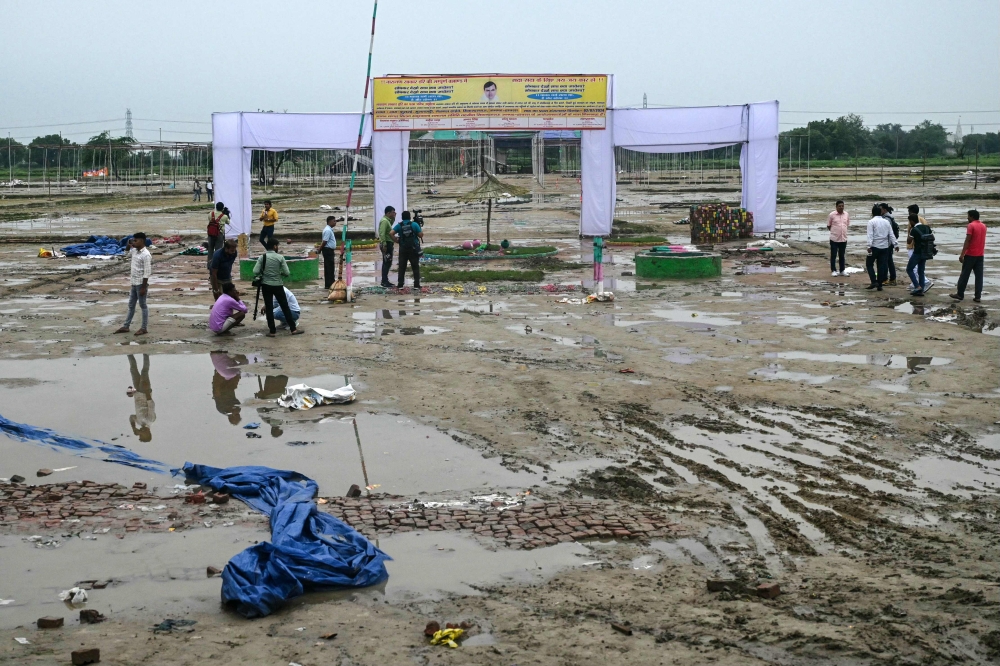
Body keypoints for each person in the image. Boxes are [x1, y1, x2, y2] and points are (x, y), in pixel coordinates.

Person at [252, 239, 303, 336]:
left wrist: (264, 274)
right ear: (275, 246)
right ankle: (293, 329)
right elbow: (287, 273)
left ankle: (272, 331)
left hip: (266, 286)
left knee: (269, 307)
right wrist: (279, 273)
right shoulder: (280, 257)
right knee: (285, 307)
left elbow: (255, 271)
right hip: (278, 285)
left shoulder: (262, 257)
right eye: (277, 246)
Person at [114, 233, 152, 336]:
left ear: (142, 241)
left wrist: (144, 287)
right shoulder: (134, 251)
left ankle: (144, 328)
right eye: (133, 240)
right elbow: (125, 256)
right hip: (134, 283)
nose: (134, 242)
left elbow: (147, 272)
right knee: (131, 305)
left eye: (136, 241)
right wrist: (128, 245)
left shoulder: (146, 255)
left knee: (143, 305)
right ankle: (126, 326)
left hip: (141, 284)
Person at [950, 209, 987, 303]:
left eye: (968, 216)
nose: (967, 218)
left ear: (972, 217)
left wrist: (962, 254)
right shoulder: (983, 226)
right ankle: (977, 296)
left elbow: (968, 240)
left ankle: (960, 294)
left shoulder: (971, 225)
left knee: (964, 275)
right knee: (979, 276)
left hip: (971, 254)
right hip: (980, 255)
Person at [865, 204, 897, 291]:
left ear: (872, 213)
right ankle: (880, 284)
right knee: (881, 266)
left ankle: (873, 281)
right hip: (884, 247)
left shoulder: (871, 222)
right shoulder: (886, 222)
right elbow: (891, 234)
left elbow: (870, 235)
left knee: (869, 264)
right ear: (880, 212)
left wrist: (869, 246)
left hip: (875, 247)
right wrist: (895, 244)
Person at [391, 210, 423, 289]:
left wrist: (396, 240)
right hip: (413, 249)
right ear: (409, 217)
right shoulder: (414, 224)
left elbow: (391, 233)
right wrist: (419, 228)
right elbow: (420, 235)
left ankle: (400, 284)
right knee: (415, 267)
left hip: (403, 248)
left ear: (402, 217)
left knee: (402, 267)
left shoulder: (399, 225)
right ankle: (416, 285)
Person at [127, 354, 155, 442]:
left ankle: (128, 352)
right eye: (141, 436)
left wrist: (134, 428)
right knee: (144, 372)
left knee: (133, 370)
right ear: (147, 434)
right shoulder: (150, 420)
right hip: (144, 392)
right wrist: (147, 390)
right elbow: (151, 404)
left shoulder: (139, 422)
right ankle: (145, 352)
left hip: (137, 393)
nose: (140, 434)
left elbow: (131, 417)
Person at [906, 214, 935, 296]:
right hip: (925, 252)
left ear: (911, 221)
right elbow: (933, 237)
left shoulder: (914, 229)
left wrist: (910, 233)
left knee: (909, 269)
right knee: (921, 271)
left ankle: (917, 286)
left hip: (917, 252)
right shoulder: (927, 227)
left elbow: (909, 241)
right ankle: (921, 289)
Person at [827, 200, 850, 276]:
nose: (841, 207)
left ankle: (842, 270)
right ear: (836, 207)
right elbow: (829, 225)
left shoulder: (846, 214)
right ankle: (833, 270)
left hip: (843, 239)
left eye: (842, 206)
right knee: (833, 255)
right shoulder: (832, 215)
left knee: (842, 255)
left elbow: (847, 224)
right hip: (834, 239)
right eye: (839, 206)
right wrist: (835, 231)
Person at [880, 203, 899, 285]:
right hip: (889, 243)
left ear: (884, 210)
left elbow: (889, 233)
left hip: (887, 244)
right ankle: (892, 279)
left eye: (880, 209)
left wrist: (893, 244)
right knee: (889, 261)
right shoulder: (888, 217)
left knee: (886, 261)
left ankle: (886, 279)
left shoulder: (887, 219)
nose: (879, 210)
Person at [378, 206, 397, 288]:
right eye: (393, 212)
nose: (394, 213)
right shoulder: (384, 221)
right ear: (388, 213)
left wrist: (393, 218)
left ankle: (385, 280)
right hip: (387, 244)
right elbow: (382, 233)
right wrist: (384, 244)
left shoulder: (388, 221)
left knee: (388, 262)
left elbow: (391, 226)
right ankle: (384, 281)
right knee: (387, 262)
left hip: (389, 243)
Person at [206, 202, 229, 268]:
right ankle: (216, 265)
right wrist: (227, 214)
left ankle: (209, 265)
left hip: (210, 234)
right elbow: (228, 222)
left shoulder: (211, 214)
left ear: (216, 207)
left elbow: (209, 220)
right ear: (222, 208)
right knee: (218, 250)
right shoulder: (224, 216)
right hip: (219, 234)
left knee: (210, 249)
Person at [320, 215, 338, 289]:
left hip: (328, 250)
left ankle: (329, 283)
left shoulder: (329, 229)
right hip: (328, 250)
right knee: (329, 267)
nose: (335, 222)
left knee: (329, 267)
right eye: (334, 221)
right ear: (330, 221)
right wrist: (319, 249)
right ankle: (330, 283)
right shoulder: (327, 230)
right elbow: (324, 241)